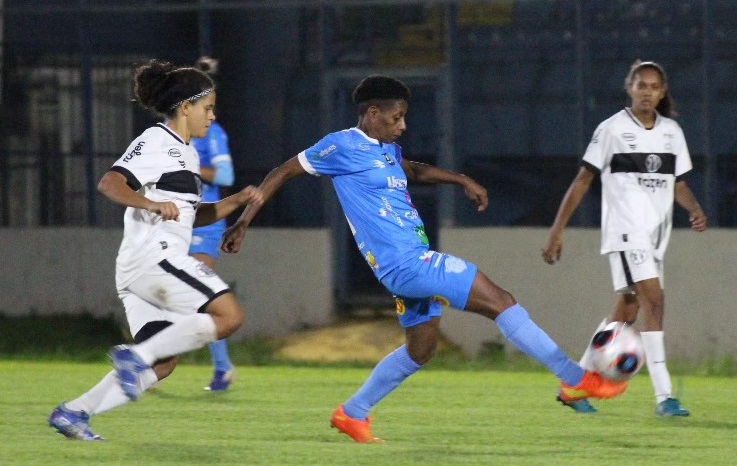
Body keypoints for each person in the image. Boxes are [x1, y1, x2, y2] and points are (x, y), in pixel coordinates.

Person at [221, 75, 627, 444]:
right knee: (501, 301)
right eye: (396, 117)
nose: (403, 126)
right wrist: (243, 221)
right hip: (408, 264)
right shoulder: (340, 146)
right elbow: (284, 171)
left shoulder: (388, 150)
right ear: (372, 113)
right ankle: (575, 379)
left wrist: (462, 179)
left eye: (404, 118)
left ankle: (353, 413)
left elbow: (413, 170)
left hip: (406, 266)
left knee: (421, 349)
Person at [48, 59, 263, 440]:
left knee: (163, 363)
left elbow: (189, 215)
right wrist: (148, 205)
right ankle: (134, 357)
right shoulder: (156, 140)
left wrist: (236, 203)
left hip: (138, 267)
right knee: (229, 316)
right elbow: (110, 183)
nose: (212, 116)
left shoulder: (189, 154)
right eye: (207, 108)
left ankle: (73, 413)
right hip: (155, 257)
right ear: (186, 107)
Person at [542, 60, 707, 417]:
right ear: (629, 87)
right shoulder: (611, 129)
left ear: (662, 93)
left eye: (654, 87)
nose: (647, 91)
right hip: (625, 231)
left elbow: (678, 184)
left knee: (627, 311)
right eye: (641, 85)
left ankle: (573, 387)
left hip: (654, 237)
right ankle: (665, 397)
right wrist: (557, 231)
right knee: (655, 301)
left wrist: (694, 209)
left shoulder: (672, 133)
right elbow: (582, 180)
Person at [190, 56, 237, 392]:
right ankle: (148, 360)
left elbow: (226, 176)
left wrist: (187, 168)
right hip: (176, 218)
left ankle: (222, 367)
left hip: (204, 221)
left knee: (200, 292)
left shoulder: (212, 133)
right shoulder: (171, 135)